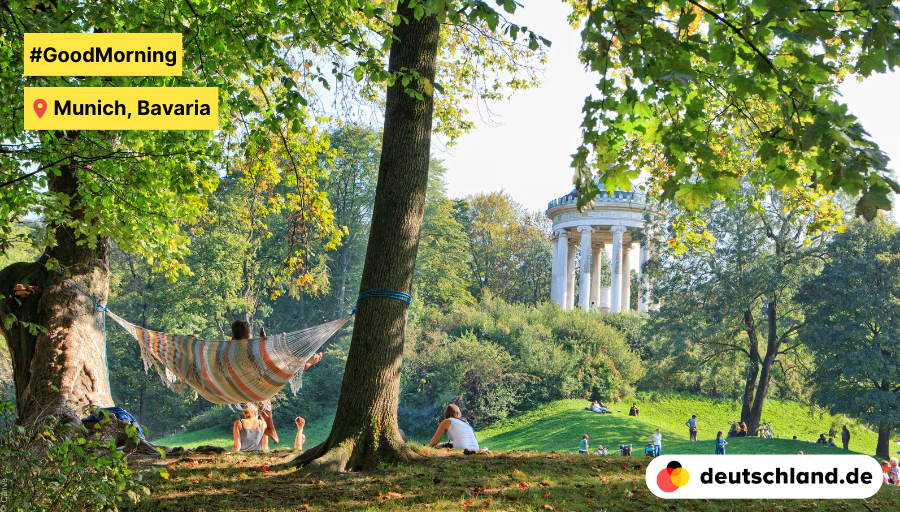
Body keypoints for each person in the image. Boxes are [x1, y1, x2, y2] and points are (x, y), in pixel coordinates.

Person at [231, 320, 323, 448]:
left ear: (232, 335)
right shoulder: (248, 347)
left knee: (267, 376)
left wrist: (262, 342)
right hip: (254, 380)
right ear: (249, 334)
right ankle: (304, 363)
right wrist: (262, 342)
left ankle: (304, 363)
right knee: (273, 373)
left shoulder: (228, 347)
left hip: (245, 382)